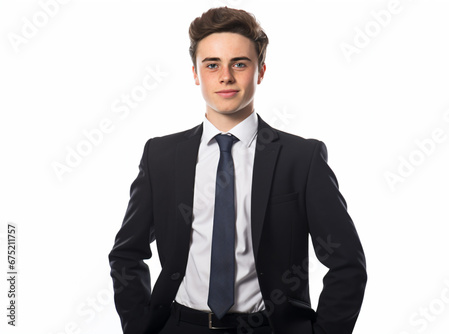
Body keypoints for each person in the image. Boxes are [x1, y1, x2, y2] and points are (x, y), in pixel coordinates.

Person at [108, 6, 367, 334]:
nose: (225, 76)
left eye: (239, 64)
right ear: (195, 73)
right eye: (212, 64)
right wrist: (139, 328)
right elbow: (127, 254)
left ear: (259, 72)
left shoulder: (301, 158)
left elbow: (347, 266)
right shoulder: (160, 155)